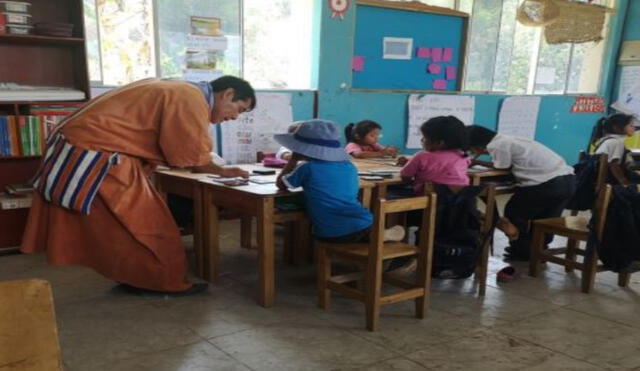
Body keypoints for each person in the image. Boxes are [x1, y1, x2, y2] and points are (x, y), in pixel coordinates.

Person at [21, 76, 256, 295]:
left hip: (84, 146)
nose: (236, 117)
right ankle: (164, 283)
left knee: (117, 225)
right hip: (97, 153)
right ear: (227, 94)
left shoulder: (178, 87)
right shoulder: (190, 97)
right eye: (240, 109)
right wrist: (222, 171)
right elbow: (191, 155)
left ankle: (136, 276)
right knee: (152, 226)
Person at [275, 119, 404, 243]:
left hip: (331, 232)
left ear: (301, 149)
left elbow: (281, 184)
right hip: (365, 221)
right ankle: (376, 235)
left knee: (339, 232)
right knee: (360, 230)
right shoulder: (349, 166)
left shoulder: (307, 168)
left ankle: (373, 236)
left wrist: (293, 160)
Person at [467, 125, 576, 261]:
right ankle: (539, 250)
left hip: (546, 184)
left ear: (476, 145)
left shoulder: (497, 145)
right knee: (545, 219)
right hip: (568, 181)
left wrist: (475, 161)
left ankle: (522, 250)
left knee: (515, 212)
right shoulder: (509, 139)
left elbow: (501, 166)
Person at [399, 116, 471, 195]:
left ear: (439, 143)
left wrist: (413, 182)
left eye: (425, 137)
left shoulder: (422, 156)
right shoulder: (463, 155)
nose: (422, 140)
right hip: (461, 201)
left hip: (426, 202)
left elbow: (405, 176)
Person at [589, 113, 639, 185]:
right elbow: (614, 165)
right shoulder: (616, 142)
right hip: (610, 182)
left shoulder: (606, 139)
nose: (634, 127)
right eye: (630, 125)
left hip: (597, 179)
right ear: (616, 128)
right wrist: (625, 183)